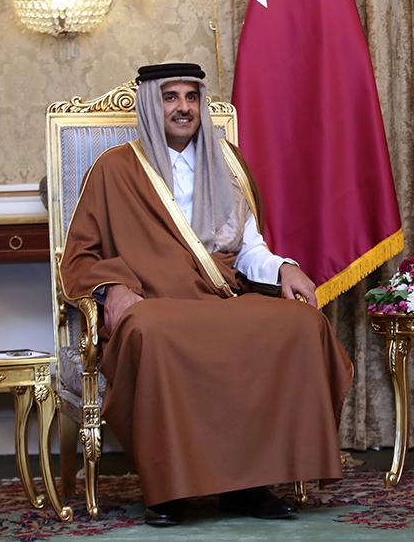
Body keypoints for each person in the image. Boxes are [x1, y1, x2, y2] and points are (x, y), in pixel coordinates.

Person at [59, 63, 354, 527]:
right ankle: (169, 489)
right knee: (150, 331)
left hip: (219, 297)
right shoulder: (115, 169)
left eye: (191, 97)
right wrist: (113, 289)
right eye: (170, 97)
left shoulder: (228, 162)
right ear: (151, 105)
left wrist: (285, 268)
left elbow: (248, 247)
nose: (183, 108)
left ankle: (252, 484)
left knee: (302, 323)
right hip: (153, 303)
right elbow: (80, 255)